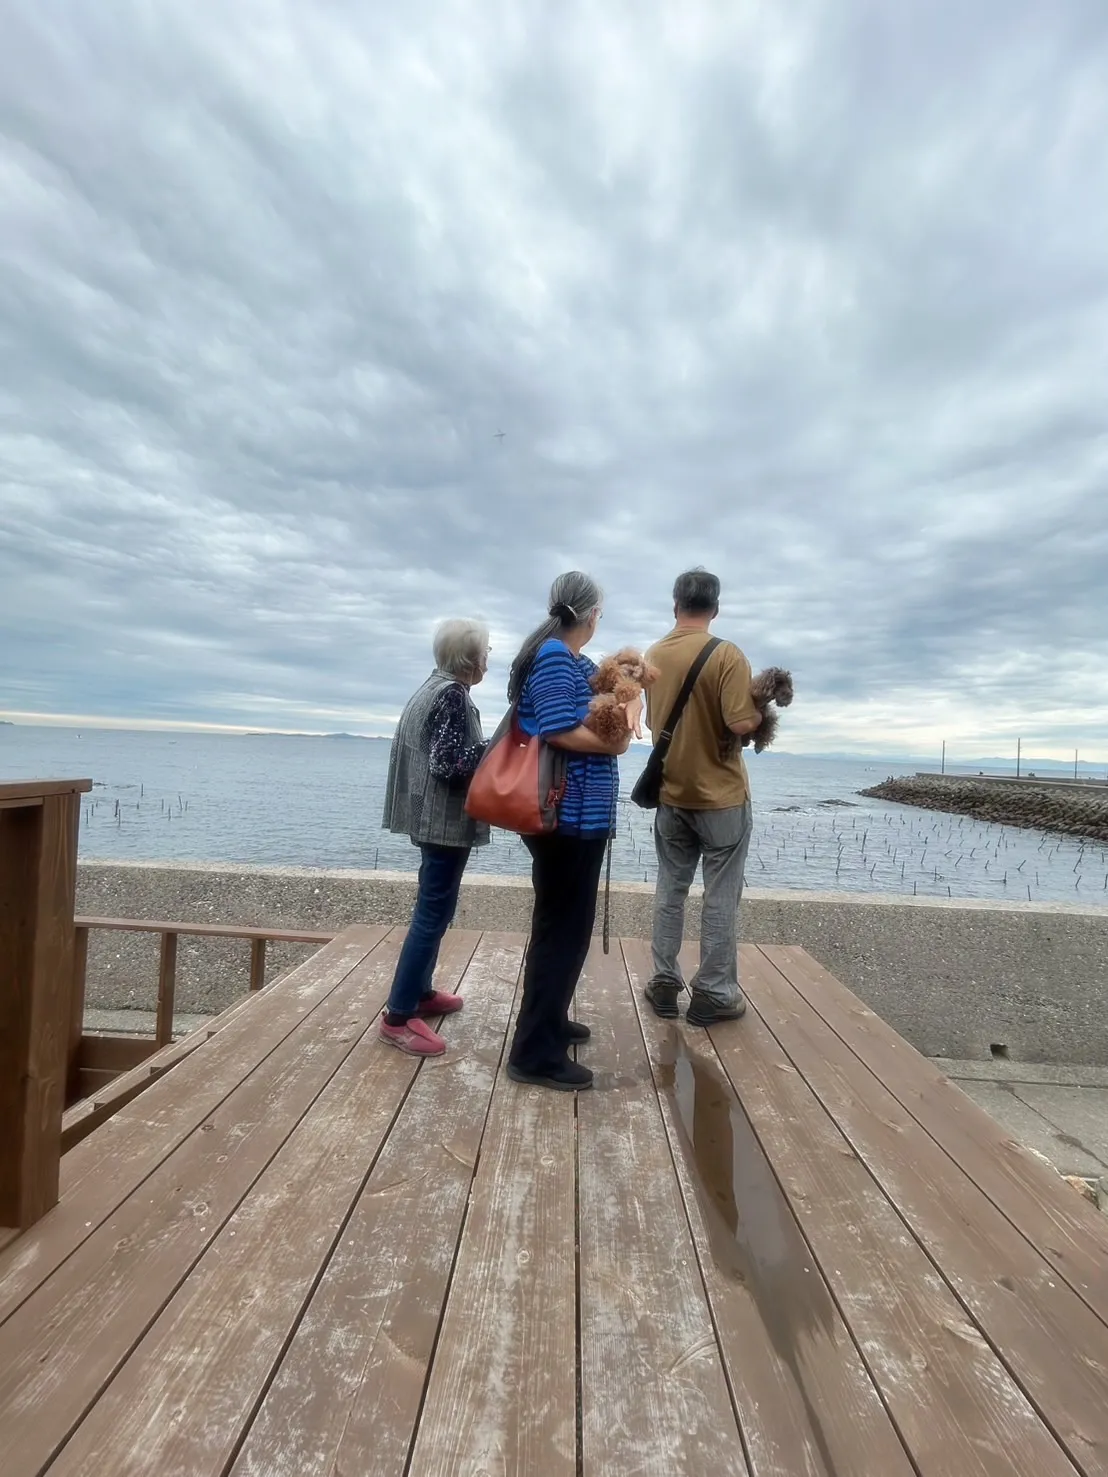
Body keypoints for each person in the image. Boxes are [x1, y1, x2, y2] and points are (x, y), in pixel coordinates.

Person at [506, 572, 639, 1092]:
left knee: (567, 929)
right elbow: (559, 729)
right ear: (591, 613)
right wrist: (616, 744)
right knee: (561, 932)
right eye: (601, 612)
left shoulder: (571, 660)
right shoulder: (555, 657)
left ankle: (551, 1022)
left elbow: (590, 707)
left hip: (577, 818)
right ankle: (534, 1051)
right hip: (564, 819)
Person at [642, 569, 762, 1026]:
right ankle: (713, 993)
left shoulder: (655, 653)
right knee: (720, 897)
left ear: (675, 604)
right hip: (722, 799)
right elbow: (740, 723)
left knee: (670, 890)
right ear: (715, 608)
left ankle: (665, 983)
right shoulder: (727, 654)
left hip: (671, 794)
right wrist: (760, 710)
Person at [379, 618, 490, 1055]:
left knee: (436, 909)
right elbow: (449, 764)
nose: (487, 659)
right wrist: (494, 748)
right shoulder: (451, 696)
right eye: (485, 651)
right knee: (431, 914)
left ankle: (420, 993)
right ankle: (398, 1016)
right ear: (470, 658)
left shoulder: (430, 688)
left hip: (427, 819)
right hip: (441, 824)